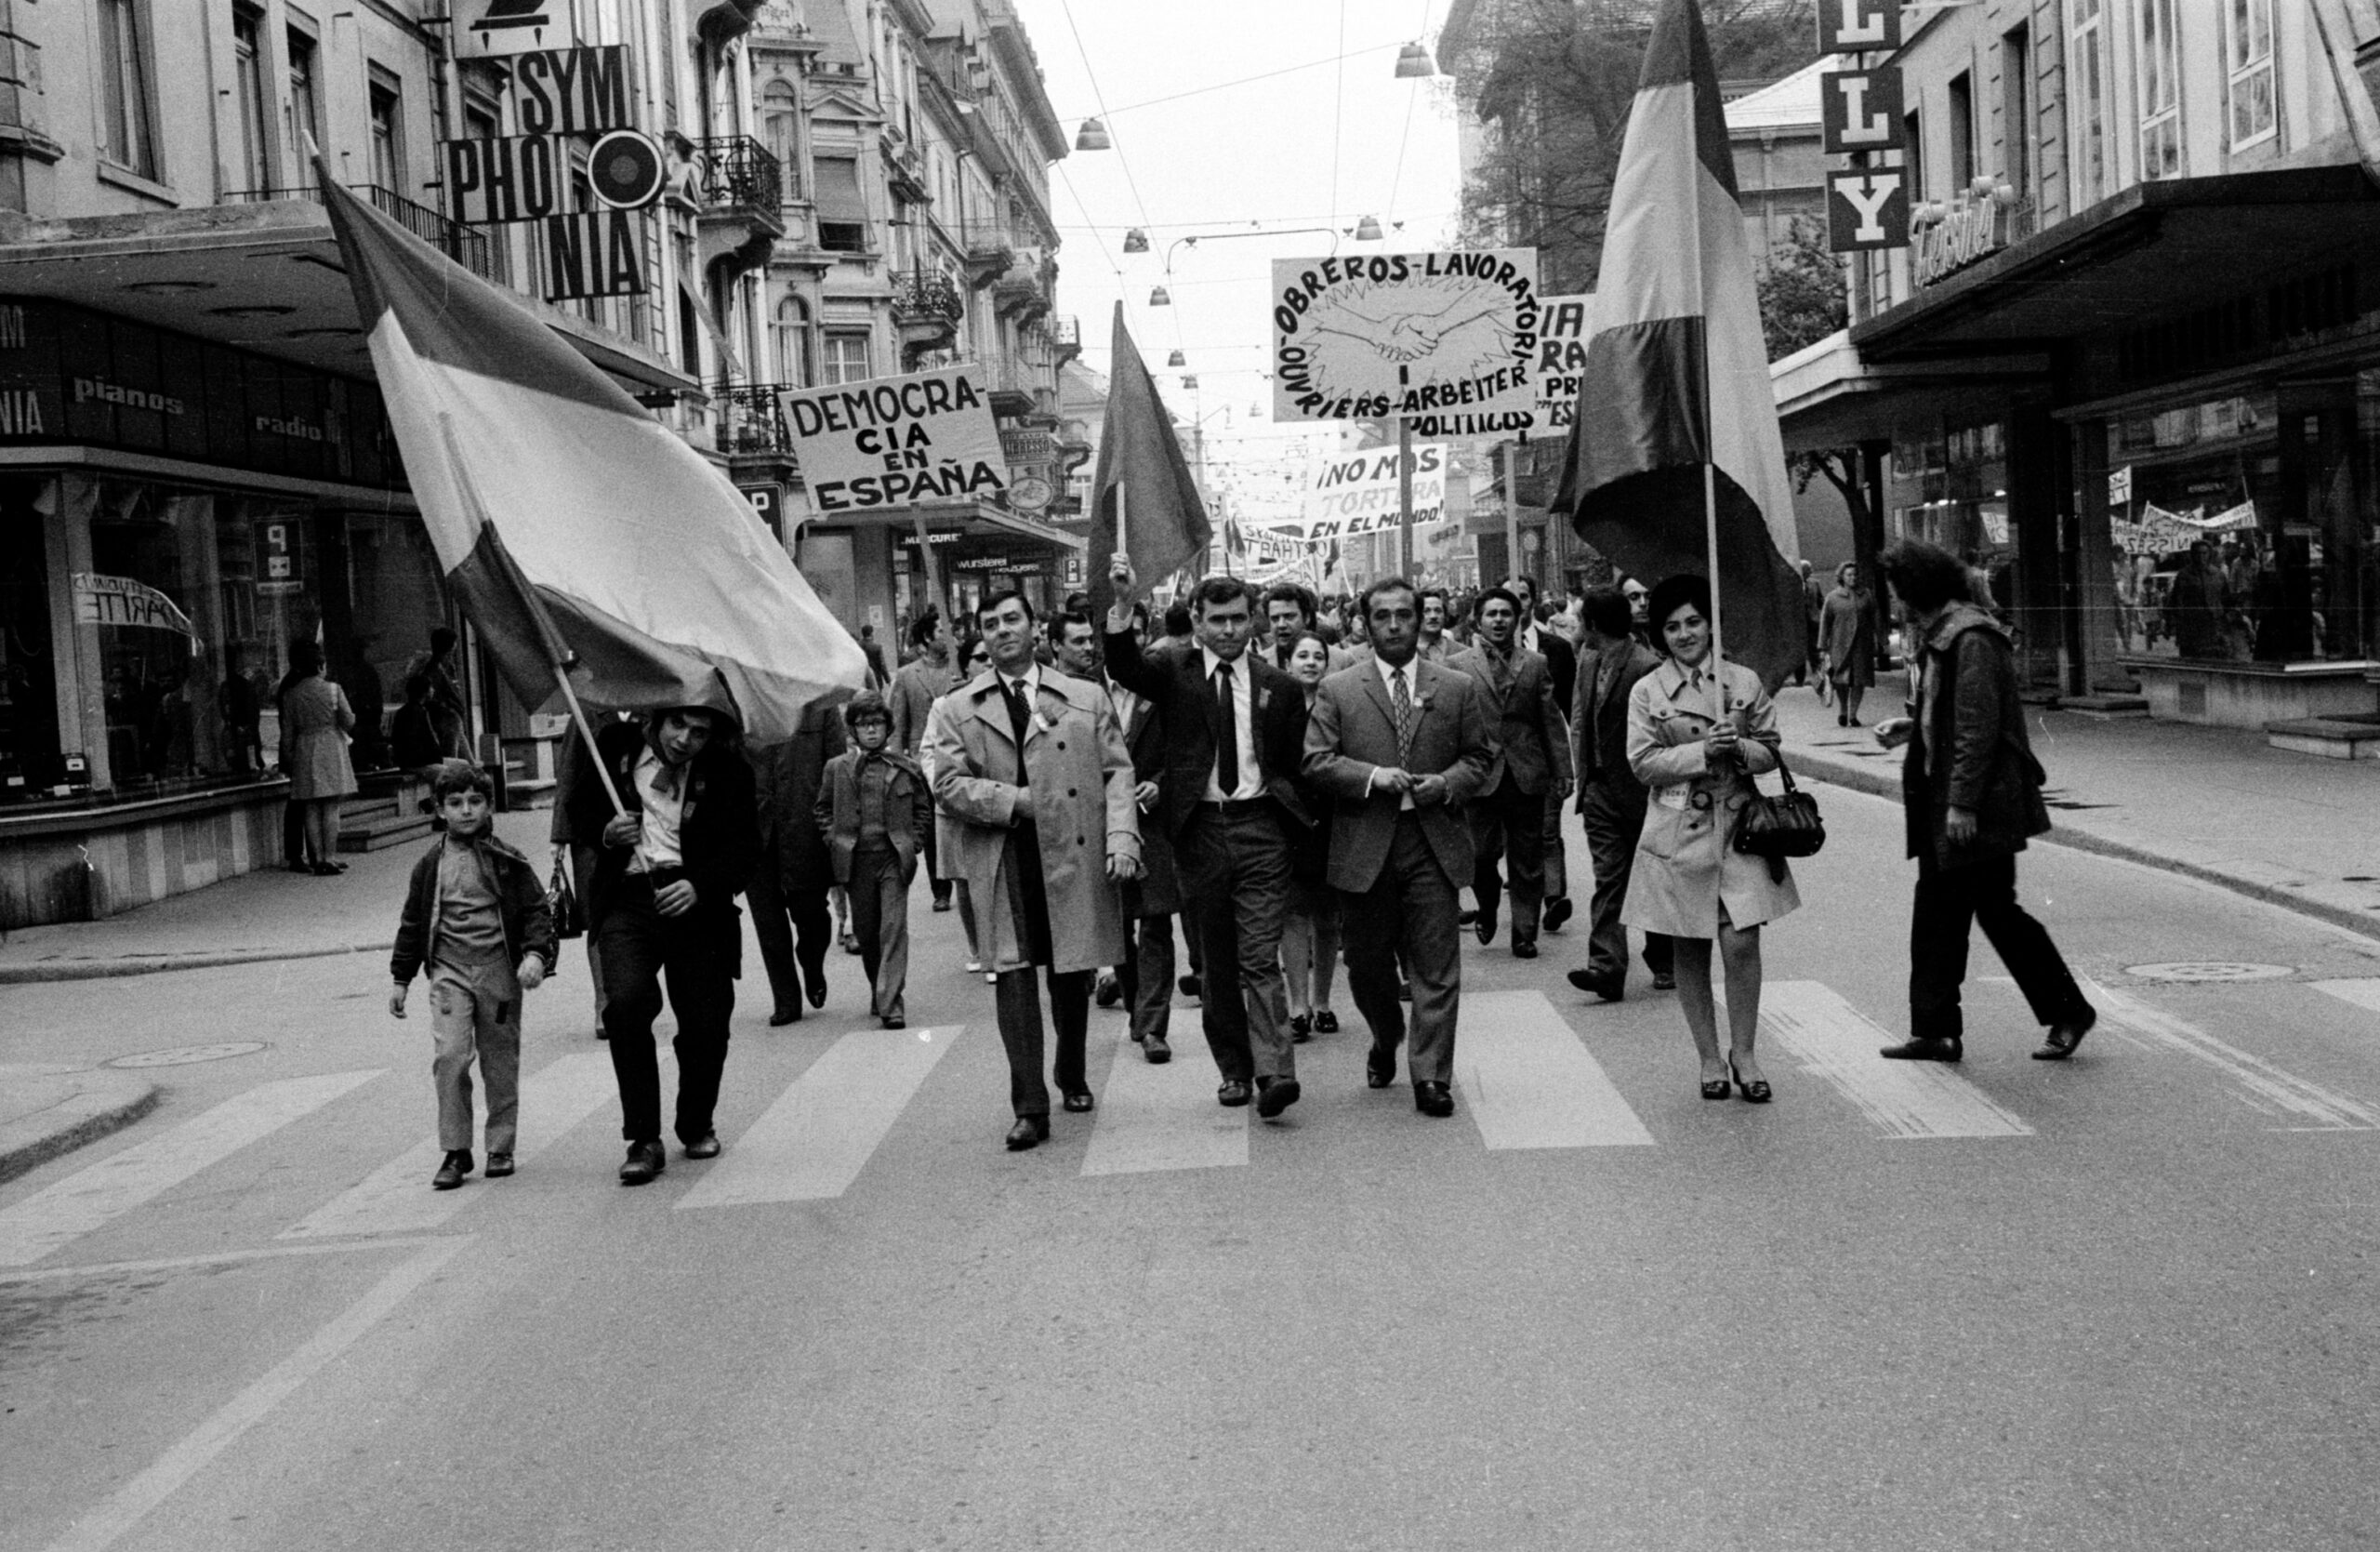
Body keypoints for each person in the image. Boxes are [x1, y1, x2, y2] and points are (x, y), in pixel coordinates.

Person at [928, 590, 1142, 1151]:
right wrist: (1012, 801)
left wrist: (1122, 836)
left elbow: (1118, 771)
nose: (1002, 630)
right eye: (990, 624)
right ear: (982, 636)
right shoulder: (958, 707)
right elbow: (946, 784)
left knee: (1071, 968)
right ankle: (1029, 1105)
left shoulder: (1083, 696)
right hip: (1005, 855)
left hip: (1071, 848)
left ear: (1034, 628)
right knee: (1014, 975)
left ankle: (1072, 1071)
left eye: (1012, 619)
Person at [1871, 541, 2096, 1065]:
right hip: (1955, 804)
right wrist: (1913, 728)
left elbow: (1979, 729)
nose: (1897, 603)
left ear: (1918, 590)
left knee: (1984, 914)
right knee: (1949, 915)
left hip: (1976, 809)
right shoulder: (1947, 635)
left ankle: (2061, 1011)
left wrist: (1963, 805)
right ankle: (1938, 1029)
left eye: (1898, 592)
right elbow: (1955, 714)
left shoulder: (1970, 638)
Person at [1105, 560, 1313, 1118]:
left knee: (1259, 955)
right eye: (1217, 620)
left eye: (1239, 618)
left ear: (1253, 620)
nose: (1228, 629)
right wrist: (1123, 604)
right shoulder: (1174, 672)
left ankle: (1276, 1072)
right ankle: (1235, 1071)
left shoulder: (1280, 687)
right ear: (1196, 622)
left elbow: (1292, 766)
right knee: (1217, 962)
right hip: (1199, 831)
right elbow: (1123, 666)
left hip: (1260, 828)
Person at [1302, 577, 1498, 1120]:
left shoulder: (1456, 686)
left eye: (1404, 615)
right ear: (1365, 624)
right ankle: (1385, 1035)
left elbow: (1481, 758)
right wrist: (1371, 777)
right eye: (1382, 616)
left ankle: (1431, 1075)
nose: (1394, 626)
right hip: (1365, 844)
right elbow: (1315, 760)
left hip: (1431, 842)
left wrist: (1448, 783)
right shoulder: (1340, 688)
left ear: (1421, 619)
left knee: (1436, 965)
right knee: (1367, 967)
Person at [564, 704, 760, 1185]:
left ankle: (696, 1122)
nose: (683, 740)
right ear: (656, 718)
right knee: (627, 1005)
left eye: (699, 732)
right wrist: (606, 832)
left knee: (706, 1021)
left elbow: (746, 848)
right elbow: (579, 809)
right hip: (627, 899)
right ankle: (643, 1139)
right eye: (677, 725)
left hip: (695, 905)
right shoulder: (614, 747)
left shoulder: (728, 771)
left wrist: (701, 886)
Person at [1620, 576, 1797, 1104]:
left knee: (1742, 941)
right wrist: (1702, 753)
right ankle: (1709, 1058)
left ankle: (1745, 1052)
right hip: (1679, 833)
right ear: (1660, 634)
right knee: (1690, 946)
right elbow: (1643, 763)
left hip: (1741, 830)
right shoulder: (1647, 691)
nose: (1685, 634)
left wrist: (1739, 748)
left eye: (1694, 622)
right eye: (1672, 626)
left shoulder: (1743, 681)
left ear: (1711, 625)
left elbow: (1771, 749)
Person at [389, 759, 555, 1191]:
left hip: (498, 972)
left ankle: (500, 1146)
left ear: (488, 806)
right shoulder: (430, 865)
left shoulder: (507, 860)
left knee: (499, 1061)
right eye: (456, 802)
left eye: (475, 801)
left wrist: (535, 955)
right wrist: (401, 979)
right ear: (440, 809)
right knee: (450, 1057)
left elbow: (537, 910)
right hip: (450, 972)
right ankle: (455, 1150)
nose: (466, 810)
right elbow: (412, 922)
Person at [1448, 586, 1572, 959]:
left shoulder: (1534, 663)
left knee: (1528, 858)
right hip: (1479, 775)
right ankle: (1487, 907)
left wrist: (1562, 770)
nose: (1499, 620)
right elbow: (1450, 725)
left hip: (1525, 772)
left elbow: (1550, 720)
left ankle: (1524, 932)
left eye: (1506, 614)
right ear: (1478, 621)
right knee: (1479, 856)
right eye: (1492, 614)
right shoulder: (1458, 665)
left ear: (1517, 619)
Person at [1566, 586, 1674, 1002]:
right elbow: (1581, 718)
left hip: (1641, 791)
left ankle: (1663, 958)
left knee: (1652, 878)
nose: (1577, 627)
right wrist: (1582, 777)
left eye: (1581, 620)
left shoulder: (1646, 667)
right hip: (1598, 790)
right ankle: (1606, 967)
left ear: (1593, 624)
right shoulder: (1588, 659)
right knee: (1609, 878)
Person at [814, 692, 930, 1030]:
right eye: (863, 725)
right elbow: (822, 808)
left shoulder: (906, 768)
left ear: (888, 728)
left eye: (877, 723)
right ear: (852, 730)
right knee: (867, 933)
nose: (871, 730)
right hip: (856, 862)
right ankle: (878, 990)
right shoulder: (837, 768)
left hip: (893, 859)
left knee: (893, 929)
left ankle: (891, 1003)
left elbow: (922, 809)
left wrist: (914, 842)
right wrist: (833, 837)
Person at [1100, 604, 1182, 1061]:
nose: (1131, 641)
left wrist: (1161, 784)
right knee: (1115, 924)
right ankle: (1135, 1001)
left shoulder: (1164, 688)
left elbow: (1189, 748)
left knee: (1155, 922)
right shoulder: (1084, 692)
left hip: (1153, 823)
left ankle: (1152, 1025)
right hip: (1103, 823)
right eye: (1121, 634)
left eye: (1137, 633)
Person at [747, 699, 844, 1025]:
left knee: (811, 913)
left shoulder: (821, 704)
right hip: (754, 827)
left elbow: (838, 765)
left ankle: (812, 963)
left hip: (805, 825)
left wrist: (834, 822)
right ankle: (786, 1000)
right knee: (768, 920)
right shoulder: (742, 701)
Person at [1278, 630, 1342, 1041]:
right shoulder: (1278, 707)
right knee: (1293, 914)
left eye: (1318, 656)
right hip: (1290, 820)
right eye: (1302, 656)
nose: (1311, 662)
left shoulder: (1337, 705)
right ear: (1288, 663)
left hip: (1332, 819)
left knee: (1328, 916)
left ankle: (1323, 1002)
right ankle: (1298, 1006)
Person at [1507, 574, 1578, 933]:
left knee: (1548, 830)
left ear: (1533, 600)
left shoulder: (1557, 649)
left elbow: (1570, 709)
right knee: (1515, 836)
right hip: (1505, 761)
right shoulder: (1482, 651)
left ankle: (1554, 899)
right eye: (1508, 597)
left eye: (1522, 596)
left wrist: (1569, 762)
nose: (1516, 603)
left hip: (1545, 756)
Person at [932, 635, 996, 975]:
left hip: (996, 801)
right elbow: (931, 754)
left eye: (990, 657)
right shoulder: (946, 705)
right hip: (955, 806)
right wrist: (949, 788)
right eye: (980, 658)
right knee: (966, 882)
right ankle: (978, 948)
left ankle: (998, 949)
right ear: (966, 664)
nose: (988, 663)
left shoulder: (1005, 698)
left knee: (994, 879)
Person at [888, 609, 959, 911]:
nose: (949, 636)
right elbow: (897, 724)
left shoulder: (960, 669)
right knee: (931, 829)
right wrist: (896, 764)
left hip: (960, 756)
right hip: (922, 763)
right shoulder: (907, 675)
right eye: (942, 631)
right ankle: (940, 889)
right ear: (928, 638)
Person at [279, 638, 358, 877]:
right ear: (320, 666)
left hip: (304, 748)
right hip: (331, 746)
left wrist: (289, 757)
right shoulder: (333, 690)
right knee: (331, 806)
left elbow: (287, 733)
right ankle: (329, 857)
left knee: (310, 806)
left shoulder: (291, 695)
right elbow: (348, 720)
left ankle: (317, 858)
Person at [1820, 562, 1882, 727]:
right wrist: (1822, 646)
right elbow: (1825, 623)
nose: (1853, 578)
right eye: (1849, 575)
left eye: (1855, 574)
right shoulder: (1833, 597)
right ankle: (1843, 709)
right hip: (1839, 645)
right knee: (1841, 680)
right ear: (1842, 577)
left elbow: (1876, 617)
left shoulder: (1867, 595)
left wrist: (1882, 639)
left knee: (1859, 680)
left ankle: (1853, 714)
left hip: (1862, 644)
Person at [404, 626, 469, 759]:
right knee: (453, 757)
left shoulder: (440, 667)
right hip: (446, 719)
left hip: (451, 717)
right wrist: (448, 709)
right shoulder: (436, 670)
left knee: (461, 758)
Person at [1261, 582, 1355, 674]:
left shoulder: (1341, 662)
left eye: (1289, 616)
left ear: (1306, 618)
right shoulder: (1260, 664)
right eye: (1275, 619)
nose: (1281, 625)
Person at [389, 674, 444, 774]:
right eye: (431, 687)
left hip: (414, 762)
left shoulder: (405, 711)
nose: (433, 690)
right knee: (460, 771)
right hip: (420, 763)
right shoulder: (418, 712)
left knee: (463, 765)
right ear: (425, 691)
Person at [1800, 559, 1827, 686]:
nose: (1811, 571)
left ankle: (1818, 678)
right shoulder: (1791, 583)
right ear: (1802, 570)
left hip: (1813, 622)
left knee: (1814, 651)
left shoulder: (1815, 584)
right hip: (1798, 624)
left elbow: (1821, 601)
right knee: (1799, 652)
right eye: (1809, 569)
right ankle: (1799, 680)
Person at [1416, 588, 1456, 664]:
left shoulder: (1463, 652)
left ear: (1445, 615)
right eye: (1426, 611)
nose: (1433, 616)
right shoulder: (1406, 653)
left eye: (1438, 611)